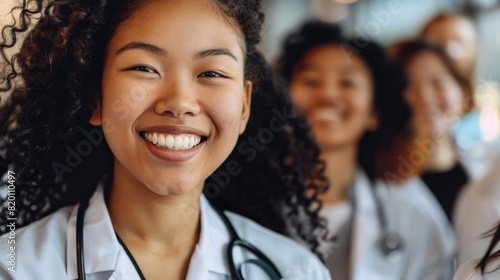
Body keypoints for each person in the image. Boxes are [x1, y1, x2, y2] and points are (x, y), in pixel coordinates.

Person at [0, 1, 332, 279]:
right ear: (94, 97)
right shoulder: (17, 268)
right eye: (144, 68)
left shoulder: (296, 271)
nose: (179, 102)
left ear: (244, 105)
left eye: (211, 73)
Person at [276, 20, 454, 280]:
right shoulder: (244, 203)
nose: (327, 94)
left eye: (348, 83)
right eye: (311, 80)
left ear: (374, 112)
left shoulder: (412, 217)